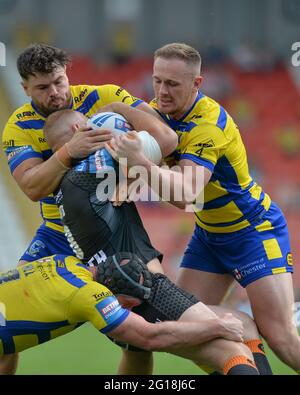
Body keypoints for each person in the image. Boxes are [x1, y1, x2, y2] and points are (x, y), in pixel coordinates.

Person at [107, 42, 300, 373]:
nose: (161, 92)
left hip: (253, 231)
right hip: (210, 236)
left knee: (281, 337)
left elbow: (186, 194)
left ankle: (273, 322)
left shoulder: (208, 125)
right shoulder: (159, 113)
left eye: (172, 84)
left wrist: (139, 164)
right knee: (178, 319)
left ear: (197, 84)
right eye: (157, 81)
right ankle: (246, 338)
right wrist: (130, 176)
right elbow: (151, 160)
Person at [44, 109, 272, 376]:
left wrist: (133, 175)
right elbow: (166, 138)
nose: (99, 131)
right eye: (90, 127)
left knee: (243, 324)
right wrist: (119, 106)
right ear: (76, 133)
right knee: (233, 350)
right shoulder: (96, 163)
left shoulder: (66, 186)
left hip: (116, 299)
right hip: (145, 289)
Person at [1, 43, 177, 374]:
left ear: (67, 74)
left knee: (139, 341)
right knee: (4, 324)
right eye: (42, 87)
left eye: (58, 81)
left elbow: (166, 140)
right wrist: (69, 151)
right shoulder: (18, 127)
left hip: (108, 233)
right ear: (24, 88)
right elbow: (32, 188)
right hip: (55, 237)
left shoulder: (104, 96)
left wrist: (135, 157)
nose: (54, 93)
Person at [0, 252, 261, 375]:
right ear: (112, 292)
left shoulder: (63, 261)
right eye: (128, 304)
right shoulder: (91, 296)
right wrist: (218, 327)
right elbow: (150, 337)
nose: (130, 309)